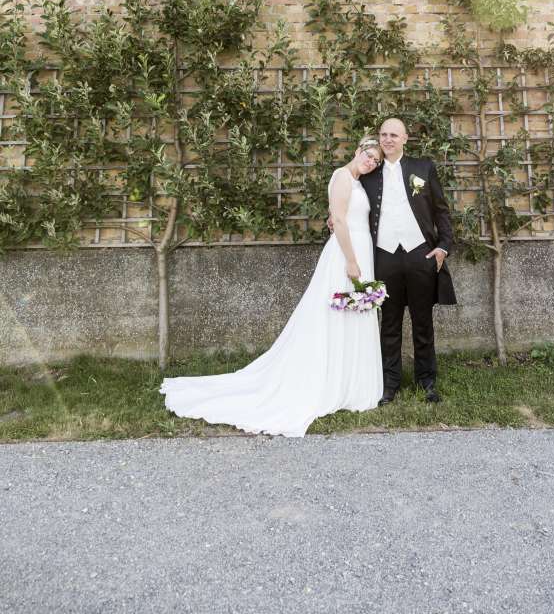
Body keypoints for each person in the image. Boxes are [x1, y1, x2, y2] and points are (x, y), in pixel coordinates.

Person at [159, 137, 384, 438]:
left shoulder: (357, 182)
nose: (371, 162)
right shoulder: (343, 176)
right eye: (369, 155)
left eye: (376, 161)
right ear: (357, 151)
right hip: (348, 255)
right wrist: (352, 261)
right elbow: (341, 222)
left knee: (353, 313)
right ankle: (330, 379)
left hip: (359, 251)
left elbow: (342, 216)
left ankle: (350, 379)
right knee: (336, 313)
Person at [359, 117, 456, 405]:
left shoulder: (422, 168)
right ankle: (389, 384)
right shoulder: (369, 173)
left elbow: (441, 211)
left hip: (419, 254)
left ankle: (427, 381)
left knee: (423, 321)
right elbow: (353, 204)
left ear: (405, 138)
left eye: (393, 134)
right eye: (383, 134)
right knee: (388, 322)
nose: (387, 139)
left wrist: (443, 248)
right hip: (384, 255)